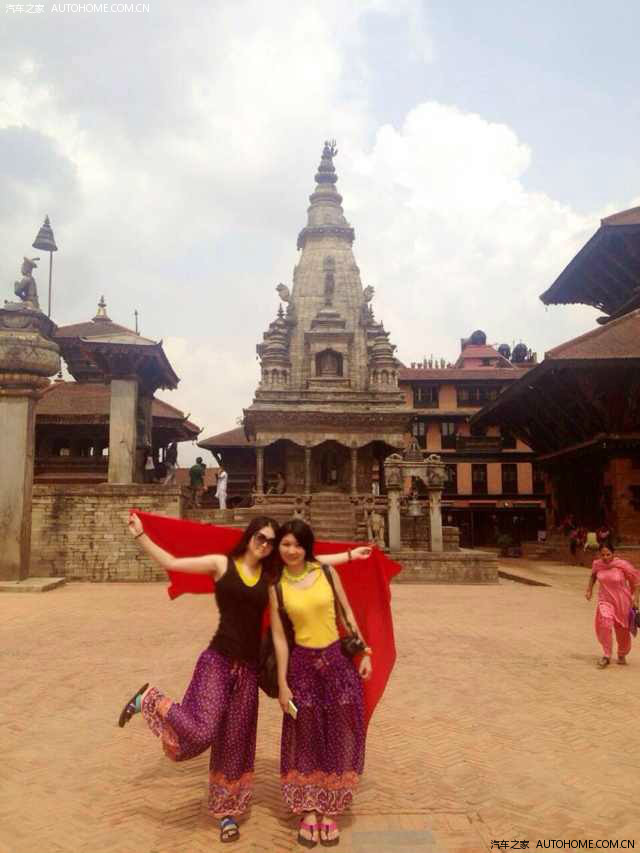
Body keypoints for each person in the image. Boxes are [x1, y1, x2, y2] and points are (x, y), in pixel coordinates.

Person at [118, 513, 368, 844]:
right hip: (218, 661)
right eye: (260, 537)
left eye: (271, 542)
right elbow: (172, 562)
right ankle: (149, 698)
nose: (265, 545)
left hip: (249, 670)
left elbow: (309, 560)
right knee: (203, 730)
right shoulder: (221, 564)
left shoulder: (272, 575)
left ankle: (228, 814)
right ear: (249, 536)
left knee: (235, 743)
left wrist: (349, 556)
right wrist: (141, 536)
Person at [269, 519, 373, 848]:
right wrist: (282, 684)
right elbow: (279, 638)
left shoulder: (326, 573)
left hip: (336, 663)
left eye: (298, 544)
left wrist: (365, 651)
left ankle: (330, 809)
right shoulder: (276, 586)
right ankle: (309, 810)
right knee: (305, 737)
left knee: (340, 733)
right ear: (278, 547)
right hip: (302, 668)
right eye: (286, 544)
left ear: (307, 547)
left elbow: (346, 614)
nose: (291, 550)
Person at [585, 544, 640, 668]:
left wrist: (636, 598)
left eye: (608, 554)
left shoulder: (622, 565)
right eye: (602, 555)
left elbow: (636, 580)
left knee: (622, 630)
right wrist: (589, 589)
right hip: (605, 600)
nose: (605, 557)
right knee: (605, 624)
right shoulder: (597, 564)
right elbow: (593, 576)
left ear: (613, 554)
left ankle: (622, 654)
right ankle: (607, 655)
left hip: (622, 601)